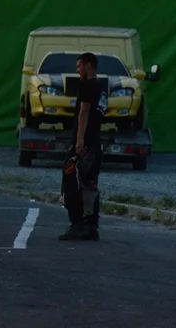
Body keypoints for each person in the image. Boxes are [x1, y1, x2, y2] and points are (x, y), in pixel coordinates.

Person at [60, 52, 106, 241]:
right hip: (95, 144)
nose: (77, 70)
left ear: (88, 66)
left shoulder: (88, 86)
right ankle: (91, 225)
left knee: (70, 179)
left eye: (79, 66)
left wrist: (79, 140)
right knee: (89, 183)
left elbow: (84, 112)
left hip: (83, 146)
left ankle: (78, 224)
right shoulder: (101, 87)